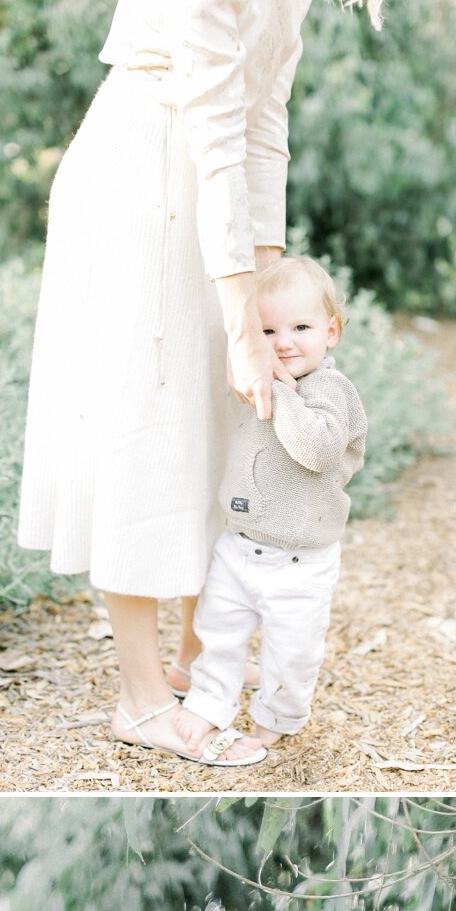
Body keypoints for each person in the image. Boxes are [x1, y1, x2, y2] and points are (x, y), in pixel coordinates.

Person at [17, 0, 311, 759]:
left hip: (211, 176)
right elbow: (213, 127)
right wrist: (239, 315)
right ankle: (142, 699)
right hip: (142, 168)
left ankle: (197, 655)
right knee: (150, 415)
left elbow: (264, 112)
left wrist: (263, 294)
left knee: (225, 407)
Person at [177, 255, 367, 760]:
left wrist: (281, 393)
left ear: (331, 332)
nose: (283, 343)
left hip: (300, 562)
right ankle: (207, 704)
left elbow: (319, 450)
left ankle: (277, 717)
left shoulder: (330, 390)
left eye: (300, 327)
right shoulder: (267, 380)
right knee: (217, 630)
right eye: (268, 332)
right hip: (240, 544)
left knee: (292, 653)